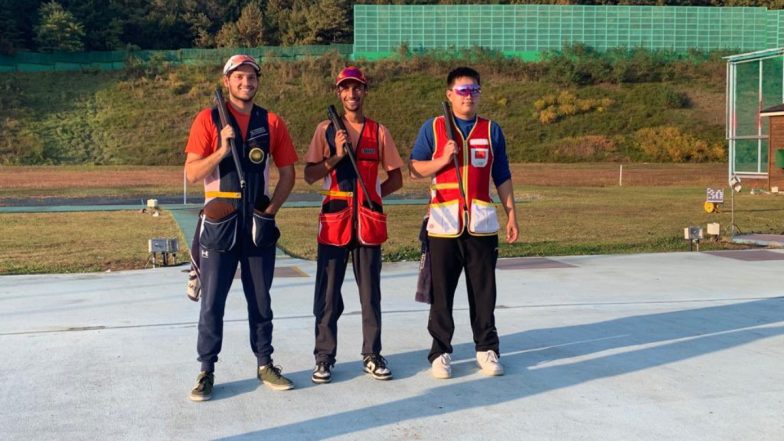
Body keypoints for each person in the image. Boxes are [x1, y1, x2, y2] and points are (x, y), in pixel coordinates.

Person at [184, 54, 298, 401]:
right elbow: (192, 173)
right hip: (220, 218)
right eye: (239, 77)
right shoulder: (208, 119)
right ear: (227, 81)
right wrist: (221, 150)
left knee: (261, 299)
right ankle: (206, 370)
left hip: (256, 222)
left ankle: (265, 363)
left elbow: (289, 172)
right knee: (213, 301)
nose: (246, 82)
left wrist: (272, 209)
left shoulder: (271, 121)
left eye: (252, 77)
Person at [409, 66, 519, 379]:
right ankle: (440, 351)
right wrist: (442, 160)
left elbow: (503, 176)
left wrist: (512, 213)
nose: (468, 96)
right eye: (462, 91)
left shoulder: (491, 130)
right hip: (443, 224)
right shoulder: (433, 128)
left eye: (473, 90)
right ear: (449, 95)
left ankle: (487, 349)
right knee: (441, 292)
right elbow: (415, 168)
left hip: (481, 226)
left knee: (484, 292)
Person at [303, 66, 404, 384]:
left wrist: (373, 196)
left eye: (357, 88)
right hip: (335, 220)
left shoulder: (379, 131)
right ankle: (324, 357)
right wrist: (334, 155)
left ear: (365, 91)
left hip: (368, 223)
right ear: (339, 93)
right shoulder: (325, 130)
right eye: (345, 89)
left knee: (370, 294)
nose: (352, 94)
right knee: (329, 294)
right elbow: (309, 175)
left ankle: (372, 354)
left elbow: (396, 178)